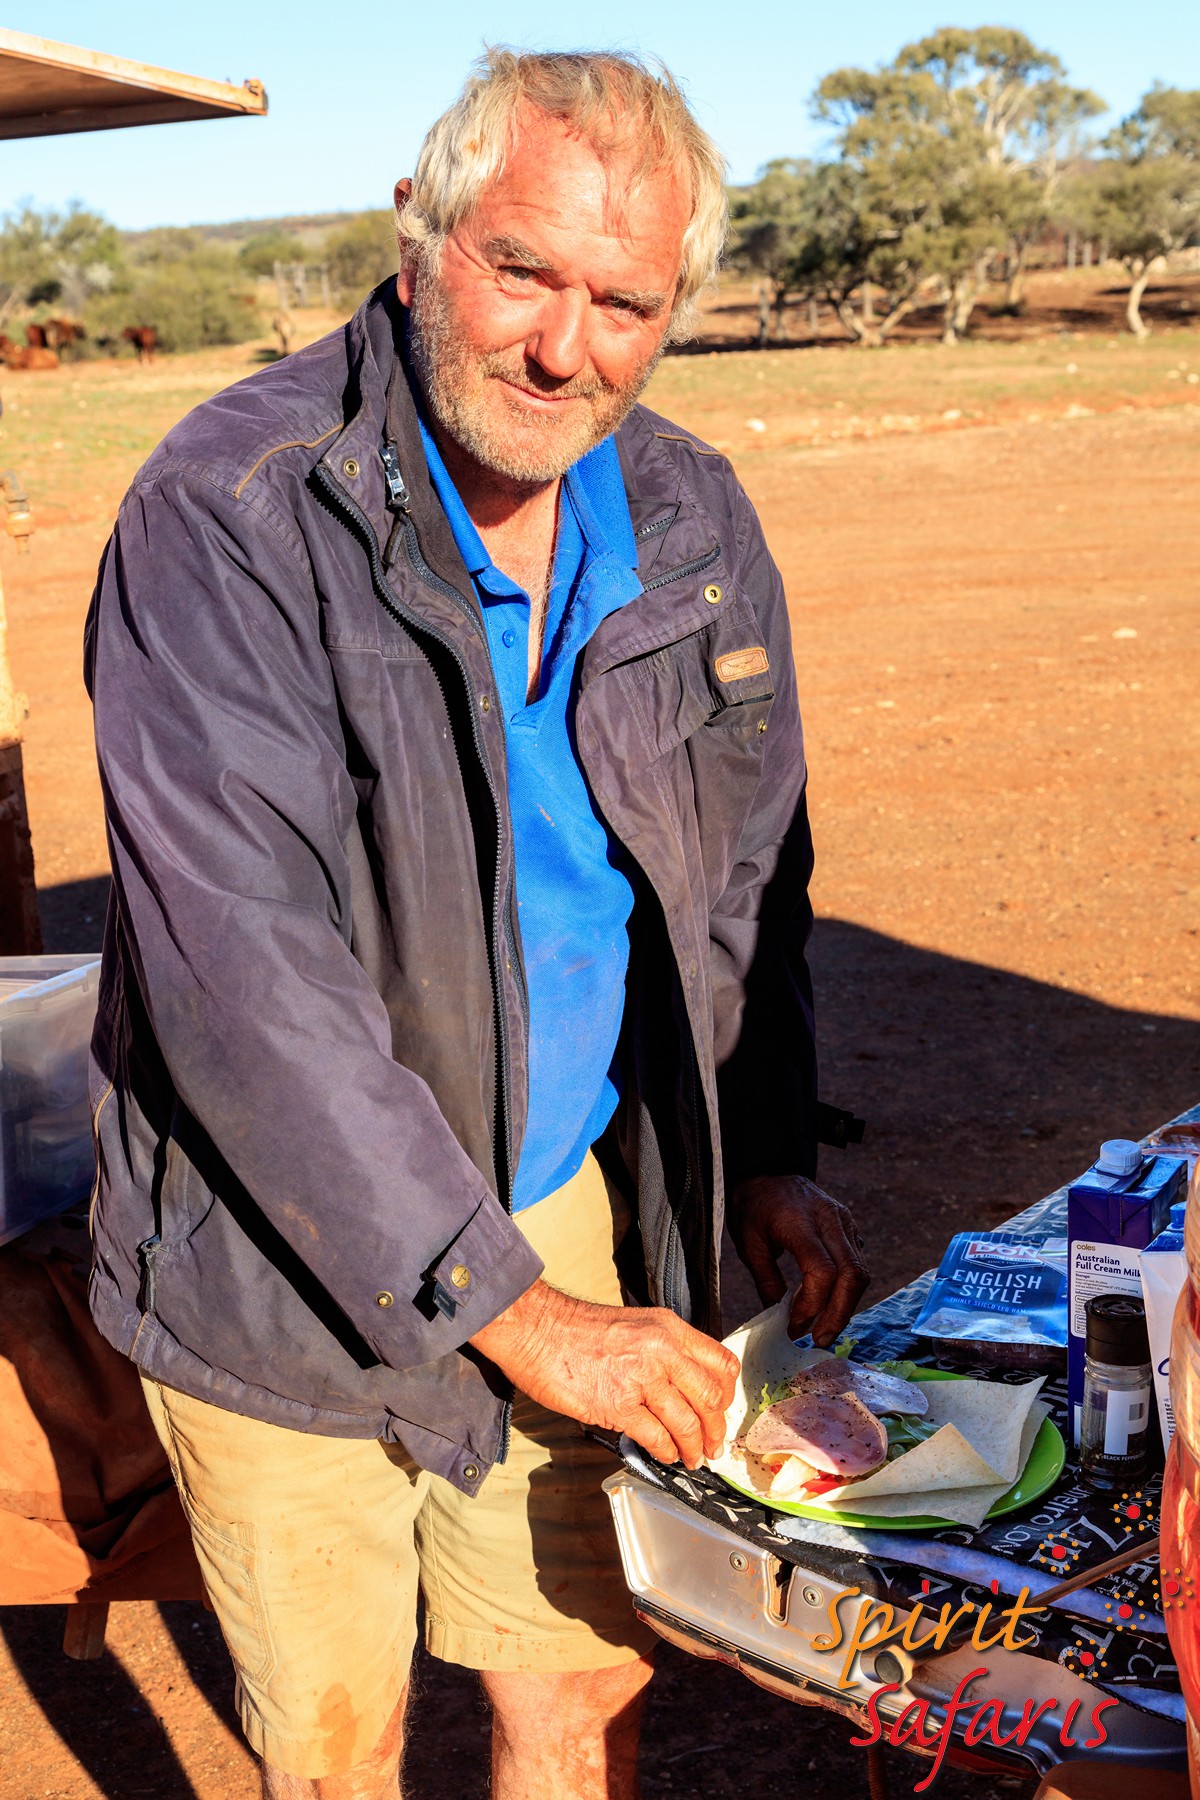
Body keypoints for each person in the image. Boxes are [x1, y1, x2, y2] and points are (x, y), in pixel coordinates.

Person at [84, 48, 869, 1800]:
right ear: (421, 233)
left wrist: (763, 1151)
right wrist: (521, 1319)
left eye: (625, 303)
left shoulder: (691, 520)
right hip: (274, 1248)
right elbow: (246, 991)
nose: (565, 350)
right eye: (523, 270)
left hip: (558, 1195)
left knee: (575, 1695)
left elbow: (746, 873)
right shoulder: (230, 518)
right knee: (339, 1743)